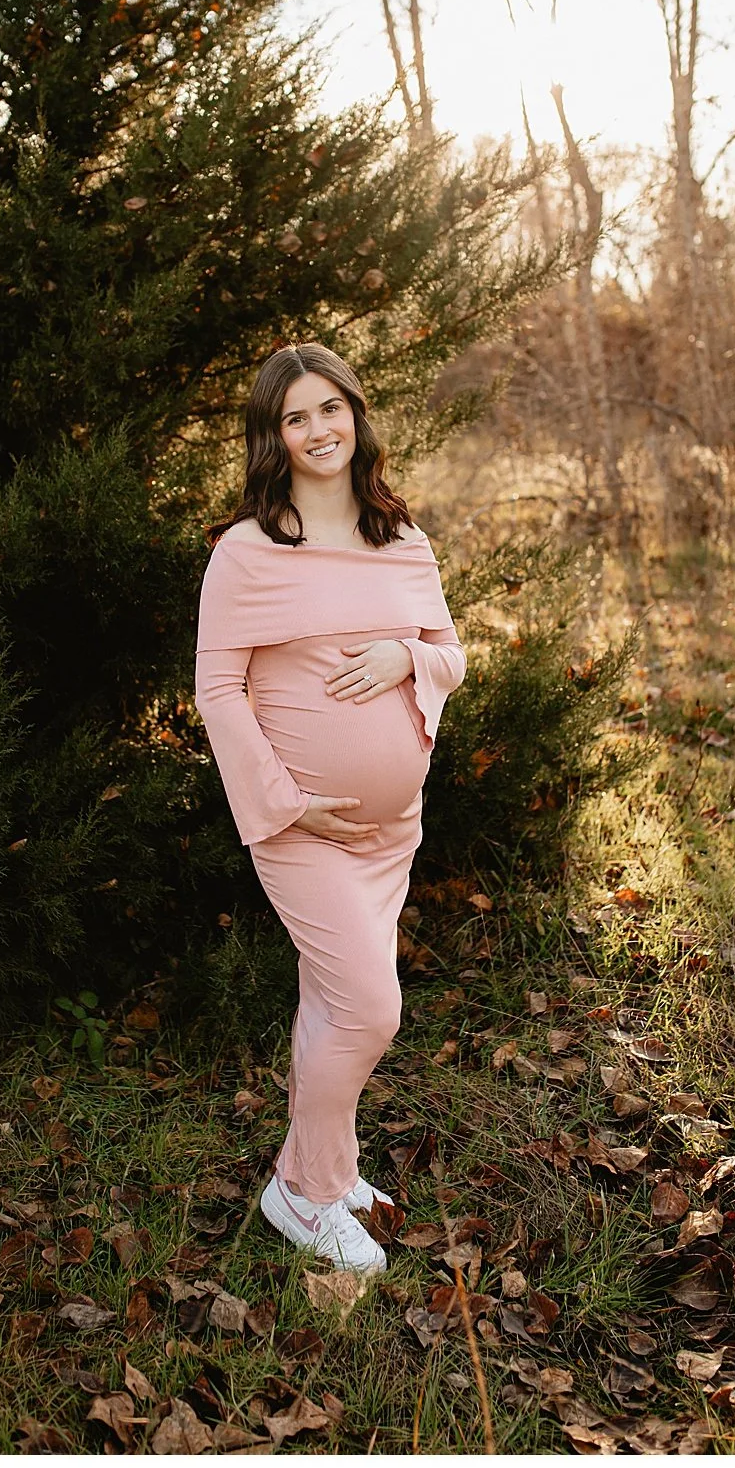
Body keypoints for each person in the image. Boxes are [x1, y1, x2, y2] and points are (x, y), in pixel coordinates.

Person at [193, 343, 466, 1276]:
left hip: (393, 829)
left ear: (356, 414)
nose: (317, 430)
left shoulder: (404, 539)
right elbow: (219, 691)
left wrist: (406, 656)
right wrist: (283, 804)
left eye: (330, 409)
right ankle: (301, 1196)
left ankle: (328, 1169)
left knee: (329, 1002)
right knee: (368, 1007)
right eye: (294, 418)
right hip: (303, 825)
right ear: (272, 437)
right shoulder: (248, 550)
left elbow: (449, 652)